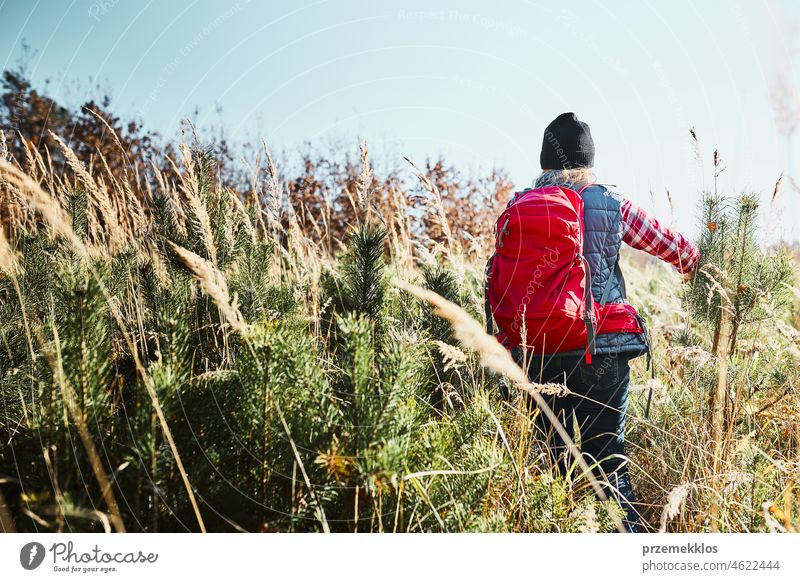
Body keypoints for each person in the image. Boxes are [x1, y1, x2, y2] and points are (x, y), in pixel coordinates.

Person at [519, 112, 699, 532]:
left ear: (546, 162)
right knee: (608, 460)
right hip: (600, 349)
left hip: (536, 352)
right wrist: (698, 264)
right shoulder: (610, 203)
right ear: (588, 162)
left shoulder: (522, 206)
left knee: (550, 464)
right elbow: (670, 245)